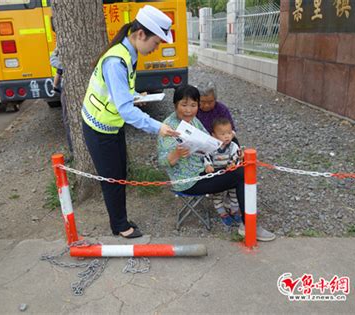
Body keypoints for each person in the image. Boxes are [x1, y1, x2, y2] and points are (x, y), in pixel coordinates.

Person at [82, 5, 179, 239]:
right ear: (141, 35)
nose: (155, 49)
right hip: (98, 128)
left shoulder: (129, 53)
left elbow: (120, 97)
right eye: (155, 43)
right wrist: (158, 127)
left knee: (118, 174)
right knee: (112, 178)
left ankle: (119, 220)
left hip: (110, 124)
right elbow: (125, 110)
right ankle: (120, 226)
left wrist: (135, 98)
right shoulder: (117, 61)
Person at [157, 84, 275, 241]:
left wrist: (224, 145)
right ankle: (249, 226)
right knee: (241, 175)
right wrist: (176, 153)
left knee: (241, 167)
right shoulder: (168, 128)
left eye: (193, 105)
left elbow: (209, 140)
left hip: (205, 168)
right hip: (189, 180)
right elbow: (163, 162)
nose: (188, 110)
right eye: (184, 105)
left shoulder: (193, 121)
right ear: (175, 105)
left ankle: (244, 218)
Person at [203, 117, 242, 231]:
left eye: (229, 133)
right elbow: (206, 156)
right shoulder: (211, 146)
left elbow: (237, 156)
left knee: (234, 192)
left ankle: (234, 210)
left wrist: (233, 163)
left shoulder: (233, 146)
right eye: (222, 134)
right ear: (214, 135)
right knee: (217, 194)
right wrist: (208, 165)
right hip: (216, 173)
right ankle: (222, 212)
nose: (227, 136)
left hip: (230, 172)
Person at [49, 46, 73, 156]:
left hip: (68, 90)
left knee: (68, 120)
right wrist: (54, 86)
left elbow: (54, 61)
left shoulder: (66, 58)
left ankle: (73, 151)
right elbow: (59, 72)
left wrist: (57, 50)